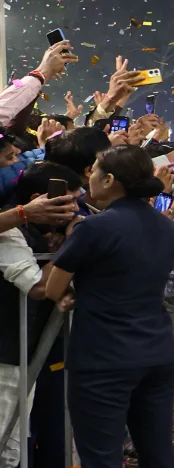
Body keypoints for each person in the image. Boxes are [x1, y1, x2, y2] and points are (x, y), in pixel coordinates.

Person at [42, 146, 174, 468]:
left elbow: (52, 288)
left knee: (101, 455)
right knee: (158, 452)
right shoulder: (165, 226)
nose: (88, 177)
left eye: (94, 170)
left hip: (104, 357)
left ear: (109, 180)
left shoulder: (93, 228)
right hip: (158, 352)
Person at [0, 166, 79, 466]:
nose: (73, 209)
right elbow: (39, 288)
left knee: (15, 445)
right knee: (6, 446)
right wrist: (74, 247)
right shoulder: (10, 229)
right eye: (66, 202)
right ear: (38, 199)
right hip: (7, 355)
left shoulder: (47, 232)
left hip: (27, 352)